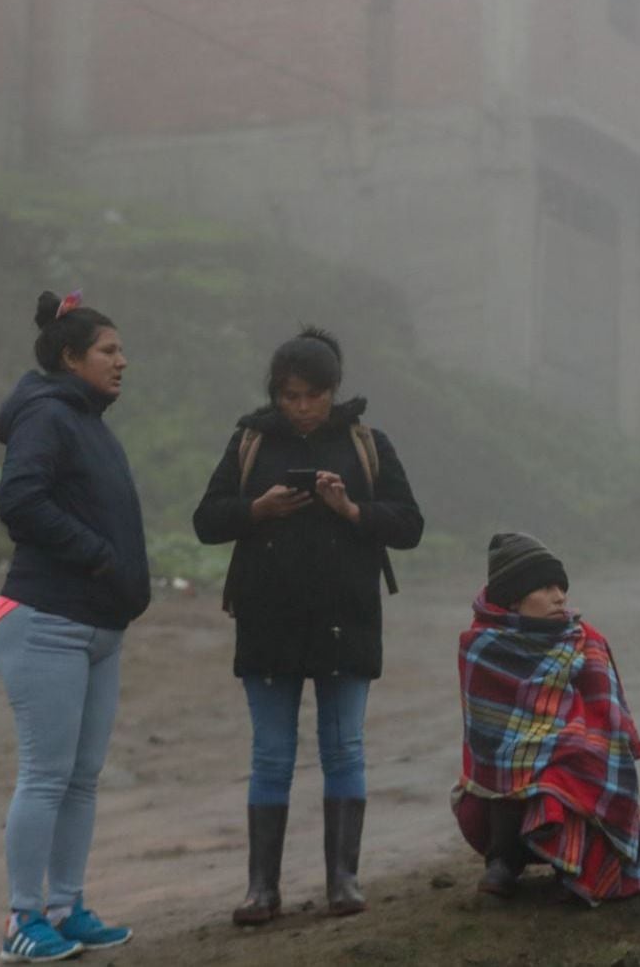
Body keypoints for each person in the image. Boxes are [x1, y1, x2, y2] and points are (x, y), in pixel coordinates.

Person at [192, 327, 423, 924]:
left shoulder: (367, 443)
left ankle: (343, 882)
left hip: (347, 619)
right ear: (274, 392)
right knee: (271, 755)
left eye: (312, 395)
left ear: (333, 389)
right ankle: (260, 890)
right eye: (289, 396)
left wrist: (351, 510)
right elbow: (206, 520)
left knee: (343, 748)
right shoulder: (249, 441)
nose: (300, 408)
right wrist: (255, 510)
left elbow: (409, 525)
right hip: (267, 621)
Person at [0, 290, 149, 962]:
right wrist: (99, 557)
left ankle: (66, 906)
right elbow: (19, 500)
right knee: (46, 775)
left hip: (96, 628)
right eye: (109, 351)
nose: (122, 362)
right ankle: (22, 920)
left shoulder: (89, 422)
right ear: (70, 356)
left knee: (80, 777)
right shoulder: (48, 415)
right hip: (45, 619)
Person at [452, 533, 640, 904]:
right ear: (514, 599)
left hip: (574, 744)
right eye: (546, 587)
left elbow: (606, 714)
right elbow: (486, 738)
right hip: (501, 779)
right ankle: (503, 860)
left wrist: (569, 737)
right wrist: (539, 740)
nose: (560, 596)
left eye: (561, 587)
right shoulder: (481, 647)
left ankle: (570, 861)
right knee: (510, 756)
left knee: (569, 755)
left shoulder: (583, 640)